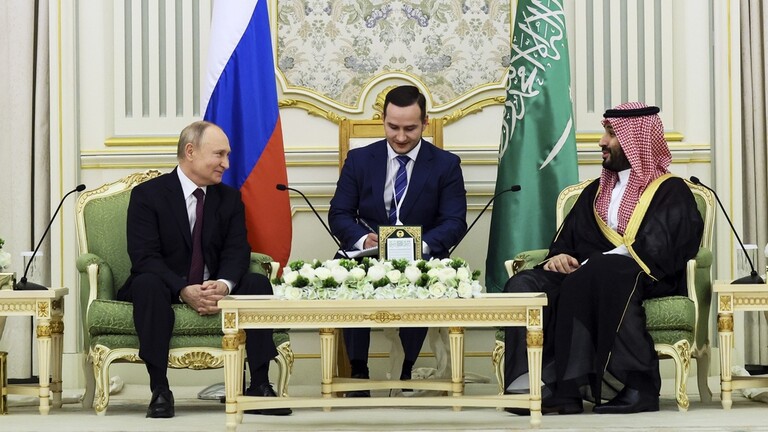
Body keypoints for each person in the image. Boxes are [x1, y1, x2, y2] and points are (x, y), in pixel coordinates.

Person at [502, 102, 703, 415]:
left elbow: (663, 245)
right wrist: (560, 257)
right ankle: (542, 387)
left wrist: (596, 262)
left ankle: (639, 386)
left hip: (647, 276)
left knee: (604, 270)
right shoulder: (596, 191)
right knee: (524, 283)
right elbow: (569, 239)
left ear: (635, 140)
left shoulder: (670, 190)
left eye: (611, 134)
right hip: (589, 274)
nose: (601, 141)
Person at [118, 121, 291, 418]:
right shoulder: (148, 195)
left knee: (257, 283)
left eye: (227, 155)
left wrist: (224, 283)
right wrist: (183, 289)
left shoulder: (229, 198)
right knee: (147, 283)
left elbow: (237, 250)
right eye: (219, 154)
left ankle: (259, 385)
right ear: (190, 152)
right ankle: (160, 389)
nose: (226, 163)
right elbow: (144, 256)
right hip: (165, 285)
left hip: (214, 287)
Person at [328, 85, 467, 395]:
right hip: (368, 254)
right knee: (348, 279)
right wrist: (362, 239)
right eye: (393, 127)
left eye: (410, 128)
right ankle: (358, 372)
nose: (401, 137)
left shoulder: (445, 164)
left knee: (423, 278)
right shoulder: (360, 160)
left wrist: (421, 245)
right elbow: (339, 213)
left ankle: (406, 370)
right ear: (383, 120)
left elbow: (454, 221)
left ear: (425, 123)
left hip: (422, 255)